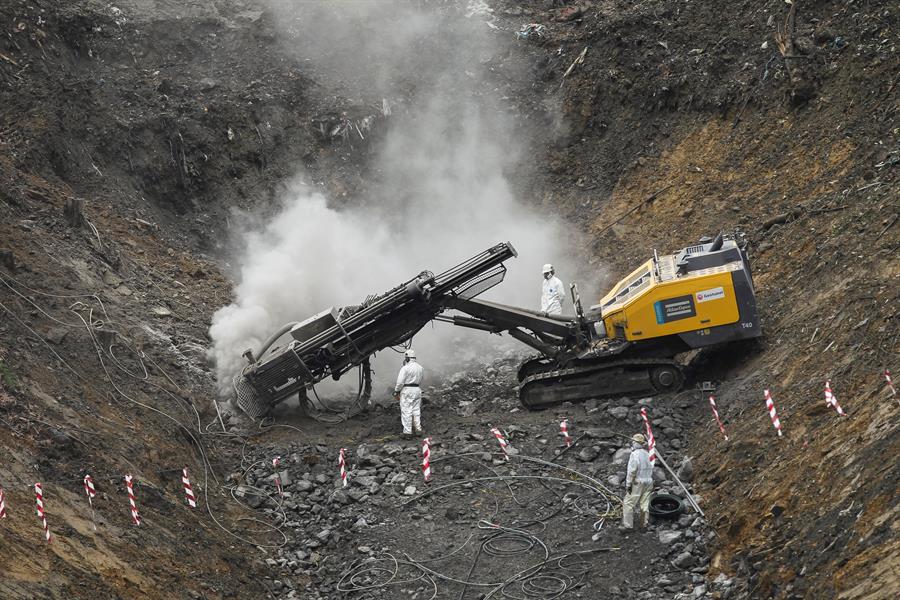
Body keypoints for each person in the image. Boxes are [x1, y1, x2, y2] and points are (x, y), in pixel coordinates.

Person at [622, 433, 654, 530]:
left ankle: (628, 525)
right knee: (644, 503)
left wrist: (628, 484)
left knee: (628, 503)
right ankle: (644, 523)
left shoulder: (634, 455)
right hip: (649, 481)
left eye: (633, 442)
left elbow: (631, 471)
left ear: (636, 443)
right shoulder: (647, 454)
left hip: (638, 482)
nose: (632, 443)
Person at [393, 349, 424, 439]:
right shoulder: (420, 368)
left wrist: (396, 391)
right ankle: (418, 430)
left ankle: (407, 433)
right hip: (417, 389)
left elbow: (400, 382)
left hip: (407, 390)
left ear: (407, 358)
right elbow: (422, 379)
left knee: (406, 411)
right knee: (416, 410)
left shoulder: (405, 368)